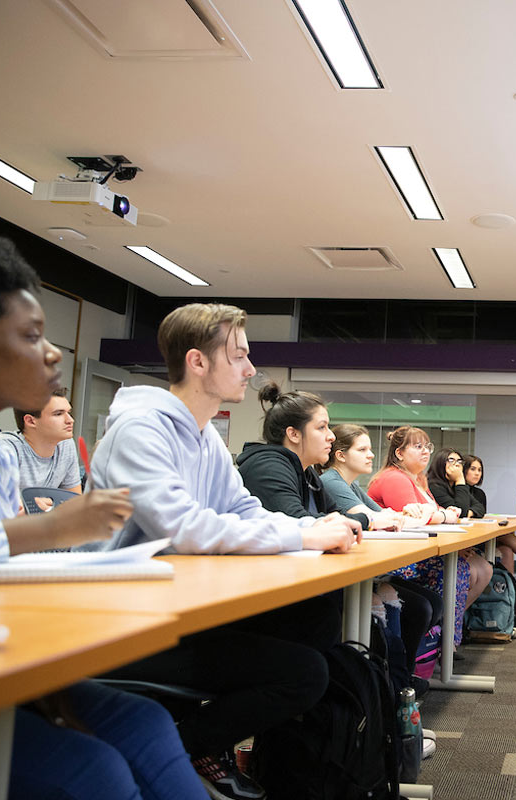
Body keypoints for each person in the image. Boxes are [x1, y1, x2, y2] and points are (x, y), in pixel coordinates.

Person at [0, 230, 206, 800]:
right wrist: (51, 527)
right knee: (94, 772)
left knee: (147, 724)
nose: (53, 352)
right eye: (32, 336)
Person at [89, 302, 362, 800]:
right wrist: (303, 536)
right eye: (238, 356)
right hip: (127, 623)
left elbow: (242, 508)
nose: (251, 369)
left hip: (181, 609)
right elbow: (182, 529)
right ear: (197, 362)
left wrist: (311, 526)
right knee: (305, 672)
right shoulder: (141, 430)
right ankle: (169, 748)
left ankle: (281, 759)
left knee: (316, 620)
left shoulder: (205, 437)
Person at [320, 423, 441, 695]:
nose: (371, 455)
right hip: (347, 572)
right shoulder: (332, 481)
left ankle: (398, 680)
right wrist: (395, 517)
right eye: (362, 449)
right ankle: (391, 685)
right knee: (422, 606)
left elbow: (391, 518)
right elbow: (380, 518)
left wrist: (395, 517)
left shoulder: (352, 484)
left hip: (364, 568)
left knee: (429, 603)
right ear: (340, 455)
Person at [367, 425, 492, 646]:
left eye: (427, 446)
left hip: (416, 550)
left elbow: (441, 514)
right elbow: (420, 520)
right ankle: (444, 644)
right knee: (461, 568)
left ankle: (443, 641)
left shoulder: (418, 480)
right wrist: (442, 515)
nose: (426, 451)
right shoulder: (394, 478)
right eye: (418, 446)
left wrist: (441, 515)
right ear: (399, 453)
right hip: (399, 559)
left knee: (480, 567)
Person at [235, 382, 367, 530]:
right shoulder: (267, 468)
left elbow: (336, 515)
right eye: (322, 427)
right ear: (294, 434)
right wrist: (367, 520)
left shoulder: (308, 473)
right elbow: (296, 520)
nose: (331, 436)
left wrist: (366, 519)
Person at [428, 451, 516, 574]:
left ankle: (509, 591)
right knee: (505, 536)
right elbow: (461, 513)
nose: (477, 473)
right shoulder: (445, 487)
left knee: (506, 548)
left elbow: (479, 509)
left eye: (479, 470)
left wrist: (469, 512)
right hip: (457, 539)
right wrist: (461, 482)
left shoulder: (476, 492)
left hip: (472, 535)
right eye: (473, 469)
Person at [0, 387, 81, 508]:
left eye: (69, 413)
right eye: (58, 414)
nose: (70, 420)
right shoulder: (3, 449)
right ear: (31, 421)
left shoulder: (65, 445)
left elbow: (76, 504)